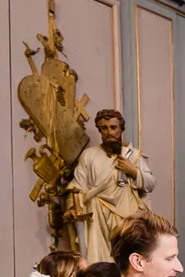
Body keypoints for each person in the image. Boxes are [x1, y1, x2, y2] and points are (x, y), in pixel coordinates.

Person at [66, 109, 156, 264]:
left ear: (121, 129)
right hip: (97, 217)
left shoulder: (133, 156)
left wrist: (133, 171)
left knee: (128, 260)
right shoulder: (89, 156)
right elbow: (77, 187)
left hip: (127, 217)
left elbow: (150, 183)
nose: (109, 132)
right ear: (100, 130)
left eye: (113, 127)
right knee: (99, 261)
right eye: (104, 128)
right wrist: (72, 207)